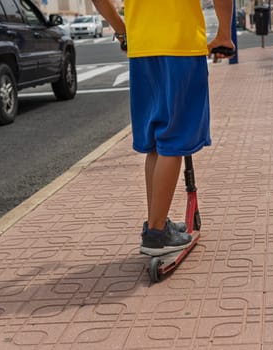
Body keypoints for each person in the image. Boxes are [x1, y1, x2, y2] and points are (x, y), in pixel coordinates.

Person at [91, 0, 235, 256]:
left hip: (142, 48)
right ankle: (157, 234)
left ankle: (156, 224)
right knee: (175, 139)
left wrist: (122, 30)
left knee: (157, 142)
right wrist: (224, 33)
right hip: (181, 45)